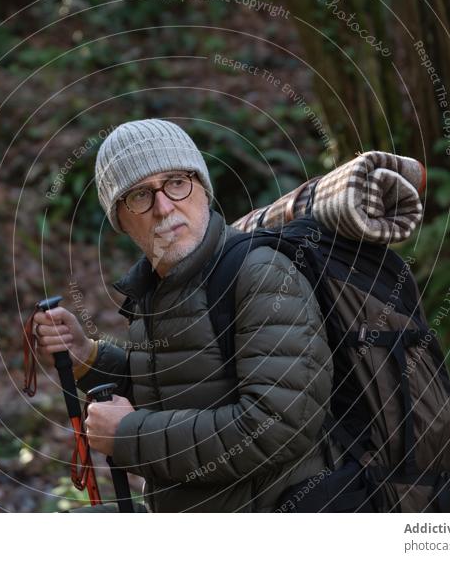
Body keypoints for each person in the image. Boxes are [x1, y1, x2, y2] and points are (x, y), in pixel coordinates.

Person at [33, 118, 335, 512]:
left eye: (176, 182)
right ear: (120, 219)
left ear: (203, 189)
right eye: (140, 194)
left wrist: (129, 436)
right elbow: (178, 386)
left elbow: (278, 426)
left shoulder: (260, 274)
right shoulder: (157, 289)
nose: (163, 207)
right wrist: (87, 357)